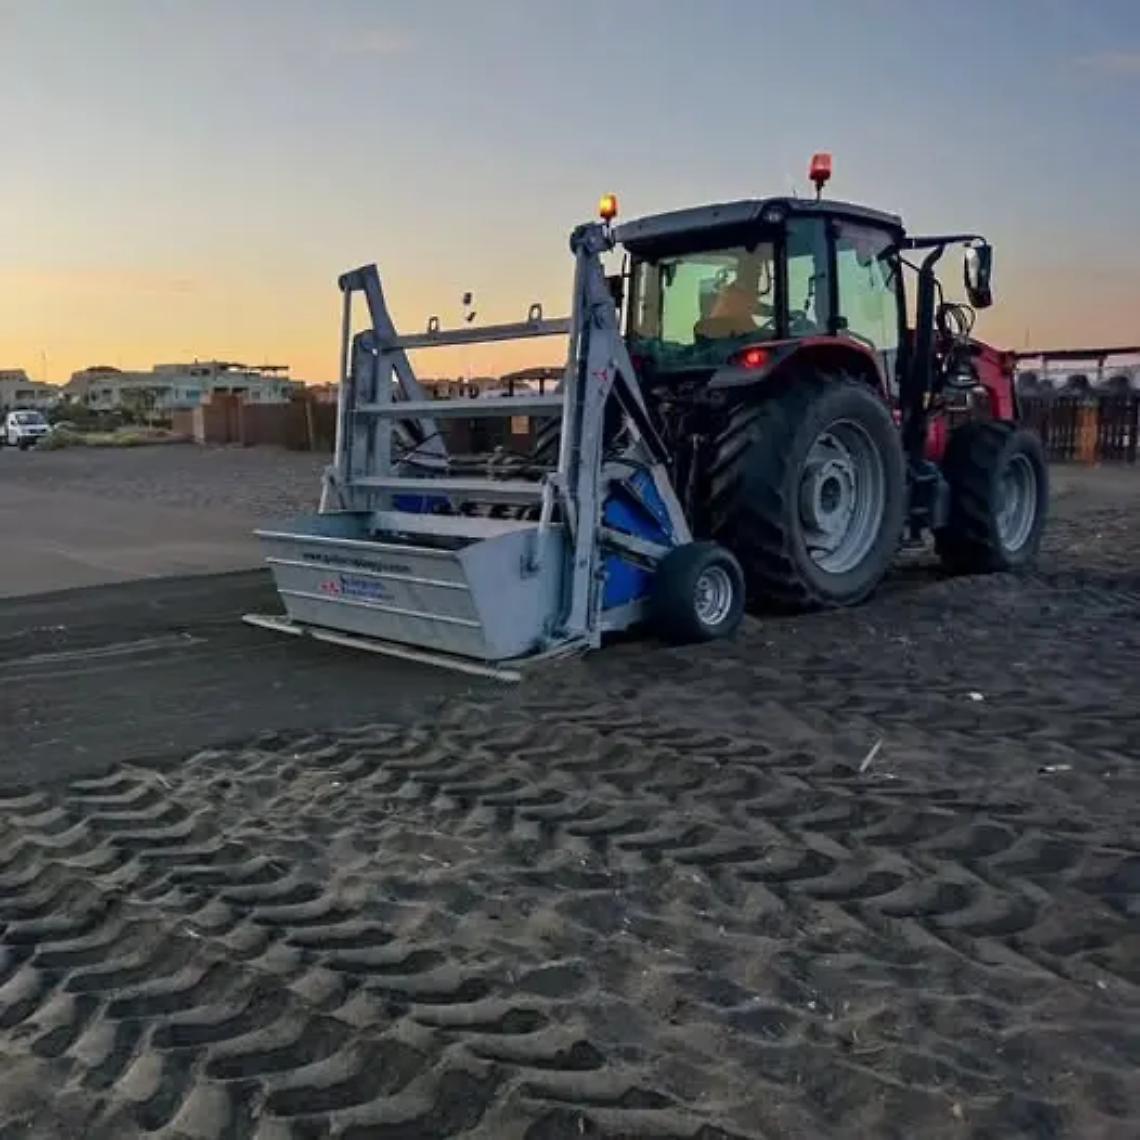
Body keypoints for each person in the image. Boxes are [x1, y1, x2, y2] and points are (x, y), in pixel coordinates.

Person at [694, 250, 773, 340]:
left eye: (758, 275)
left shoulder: (743, 293)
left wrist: (775, 312)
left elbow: (758, 309)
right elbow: (749, 327)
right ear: (741, 273)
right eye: (754, 274)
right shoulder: (734, 296)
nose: (757, 279)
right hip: (726, 340)